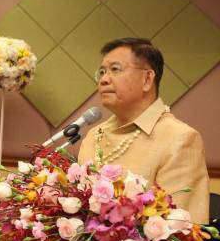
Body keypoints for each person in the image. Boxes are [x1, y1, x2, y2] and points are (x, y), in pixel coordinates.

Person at [77, 38, 210, 224]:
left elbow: (181, 229)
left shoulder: (179, 138)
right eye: (102, 72)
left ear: (147, 79)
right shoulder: (94, 135)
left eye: (115, 69)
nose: (104, 80)